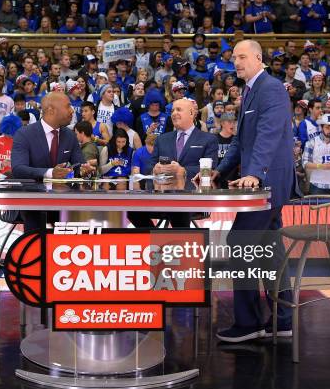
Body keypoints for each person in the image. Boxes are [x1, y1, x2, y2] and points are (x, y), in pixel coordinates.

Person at [209, 40, 298, 342]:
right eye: (234, 57)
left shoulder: (270, 88)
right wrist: (220, 170)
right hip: (262, 181)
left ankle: (249, 323)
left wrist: (253, 173)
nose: (237, 62)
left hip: (270, 181)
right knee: (270, 249)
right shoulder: (248, 92)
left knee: (240, 240)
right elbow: (240, 141)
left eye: (242, 56)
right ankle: (283, 320)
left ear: (259, 58)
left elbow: (268, 135)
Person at [127, 98, 218, 228]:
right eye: (172, 110)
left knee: (178, 211)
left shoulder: (208, 139)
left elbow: (211, 168)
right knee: (133, 211)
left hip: (193, 198)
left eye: (179, 110)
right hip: (162, 196)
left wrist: (183, 171)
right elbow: (148, 166)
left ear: (192, 113)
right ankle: (156, 240)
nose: (174, 113)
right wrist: (155, 170)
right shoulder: (162, 139)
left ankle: (179, 245)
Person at [11, 92, 94, 231]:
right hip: (33, 200)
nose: (72, 110)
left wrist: (85, 170)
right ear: (51, 110)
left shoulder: (70, 135)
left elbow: (79, 166)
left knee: (80, 223)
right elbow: (18, 169)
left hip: (64, 200)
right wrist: (50, 173)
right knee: (35, 225)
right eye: (68, 106)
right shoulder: (24, 134)